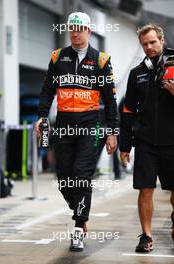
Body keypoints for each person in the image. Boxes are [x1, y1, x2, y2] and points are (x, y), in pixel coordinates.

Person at [35, 12, 118, 251]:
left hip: (90, 125)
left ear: (89, 32)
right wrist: (42, 117)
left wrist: (112, 131)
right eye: (72, 27)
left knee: (81, 175)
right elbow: (47, 91)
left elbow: (111, 101)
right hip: (63, 125)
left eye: (80, 28)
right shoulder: (57, 57)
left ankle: (79, 227)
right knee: (63, 178)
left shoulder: (101, 60)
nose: (75, 31)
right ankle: (80, 205)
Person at [120, 24, 174, 253]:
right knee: (145, 189)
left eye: (153, 42)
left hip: (172, 141)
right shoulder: (136, 74)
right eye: (144, 44)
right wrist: (125, 146)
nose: (149, 47)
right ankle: (146, 236)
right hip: (145, 142)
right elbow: (128, 112)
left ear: (161, 40)